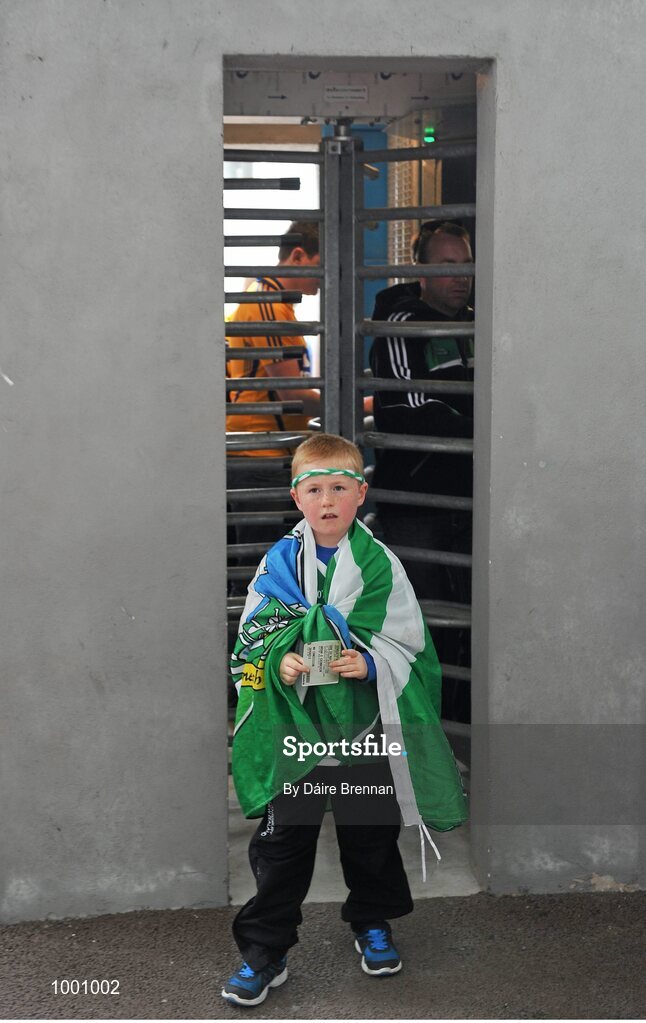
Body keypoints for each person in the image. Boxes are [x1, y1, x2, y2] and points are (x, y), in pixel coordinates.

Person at [222, 433, 467, 1007]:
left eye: (339, 488)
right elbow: (253, 637)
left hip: (362, 727)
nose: (327, 500)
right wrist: (276, 657)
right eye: (315, 489)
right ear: (296, 497)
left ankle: (373, 922)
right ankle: (266, 950)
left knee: (369, 833)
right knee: (284, 843)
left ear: (361, 494)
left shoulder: (382, 566)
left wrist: (372, 661)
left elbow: (408, 642)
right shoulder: (278, 562)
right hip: (296, 732)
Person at [369, 221, 474, 721]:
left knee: (470, 624)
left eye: (465, 264)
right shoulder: (402, 325)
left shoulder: (477, 324)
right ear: (422, 273)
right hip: (417, 503)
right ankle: (413, 738)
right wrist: (480, 425)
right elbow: (417, 409)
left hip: (472, 500)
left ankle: (457, 733)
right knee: (421, 625)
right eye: (446, 266)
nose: (461, 276)